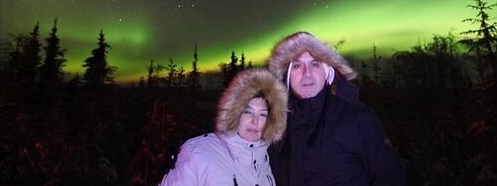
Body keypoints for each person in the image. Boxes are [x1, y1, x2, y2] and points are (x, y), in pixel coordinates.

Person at [267, 31, 406, 186]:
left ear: (327, 73)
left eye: (315, 64)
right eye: (298, 66)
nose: (307, 74)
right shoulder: (273, 125)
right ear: (287, 76)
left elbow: (390, 177)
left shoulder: (358, 119)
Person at [160, 68, 288, 186]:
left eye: (262, 115)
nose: (255, 121)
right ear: (234, 113)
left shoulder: (264, 160)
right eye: (247, 112)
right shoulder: (198, 152)